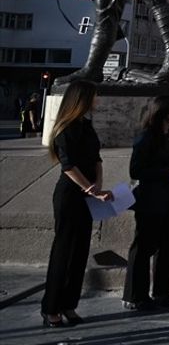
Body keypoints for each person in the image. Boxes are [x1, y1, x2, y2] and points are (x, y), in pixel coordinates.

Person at [42, 80, 111, 328]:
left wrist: (97, 187)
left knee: (80, 251)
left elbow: (97, 159)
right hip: (70, 194)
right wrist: (90, 188)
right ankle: (51, 308)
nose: (97, 100)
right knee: (63, 250)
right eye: (94, 96)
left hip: (87, 194)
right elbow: (68, 165)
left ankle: (69, 304)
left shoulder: (87, 126)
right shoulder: (65, 128)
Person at [124, 95, 169, 311]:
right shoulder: (146, 137)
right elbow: (136, 171)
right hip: (151, 198)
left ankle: (163, 292)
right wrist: (167, 170)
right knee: (143, 247)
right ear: (163, 110)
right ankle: (136, 295)